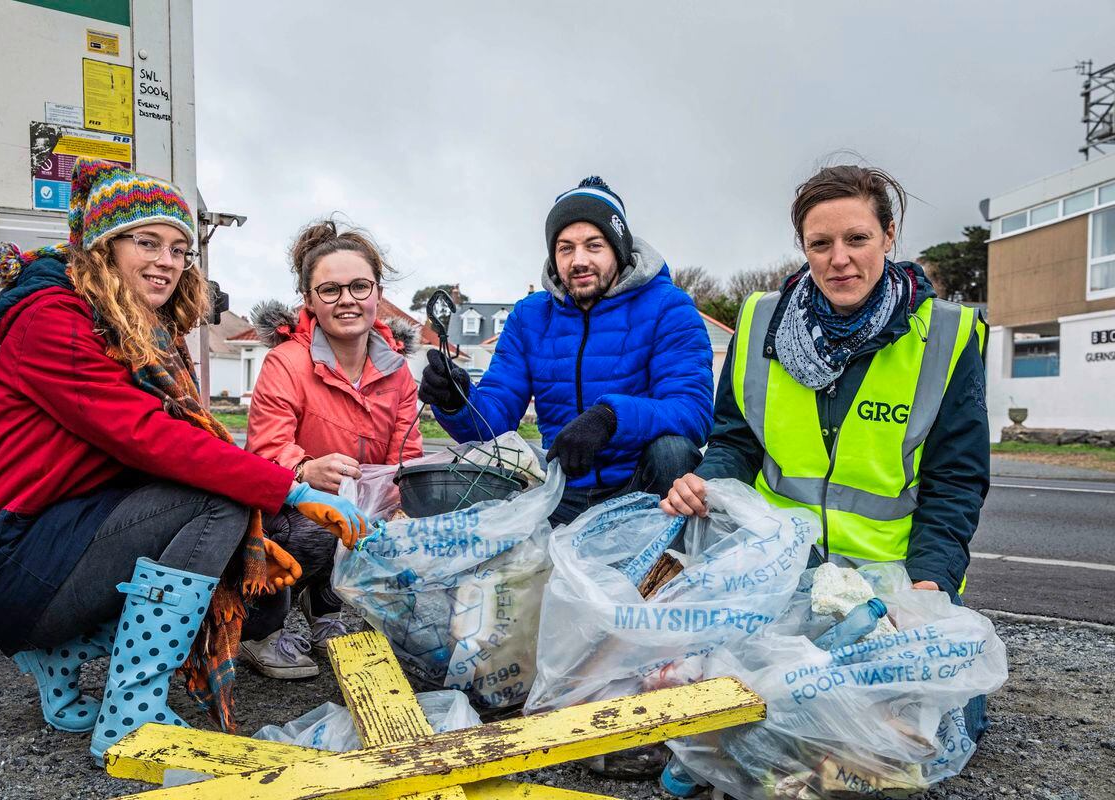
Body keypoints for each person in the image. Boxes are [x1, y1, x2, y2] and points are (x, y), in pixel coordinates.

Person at [0, 158, 369, 762]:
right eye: (147, 242)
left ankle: (60, 660)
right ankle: (131, 713)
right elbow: (153, 439)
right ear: (102, 248)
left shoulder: (131, 328)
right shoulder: (55, 325)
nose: (168, 261)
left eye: (180, 248)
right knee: (215, 504)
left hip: (48, 539)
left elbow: (171, 447)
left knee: (208, 524)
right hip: (6, 561)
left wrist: (266, 506)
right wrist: (290, 491)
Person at [662, 164, 990, 740]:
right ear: (804, 249)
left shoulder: (946, 335)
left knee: (927, 730)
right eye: (821, 243)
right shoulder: (761, 322)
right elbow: (736, 442)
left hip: (892, 581)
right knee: (743, 718)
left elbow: (955, 479)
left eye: (857, 239)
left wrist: (932, 578)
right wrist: (705, 482)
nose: (839, 258)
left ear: (889, 237)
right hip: (780, 573)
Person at [418, 176, 714, 525]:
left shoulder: (669, 307)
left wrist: (611, 418)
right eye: (565, 248)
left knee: (674, 452)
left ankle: (667, 560)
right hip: (559, 488)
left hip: (641, 487)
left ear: (618, 249)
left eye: (594, 245)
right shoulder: (529, 316)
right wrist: (457, 400)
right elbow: (495, 421)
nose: (579, 260)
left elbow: (691, 411)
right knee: (484, 472)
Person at [238, 219, 423, 678]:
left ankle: (325, 614)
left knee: (382, 522)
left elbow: (407, 454)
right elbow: (266, 449)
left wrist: (404, 504)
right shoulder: (287, 362)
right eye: (330, 290)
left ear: (377, 293)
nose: (347, 300)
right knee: (309, 528)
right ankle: (260, 629)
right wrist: (304, 470)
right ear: (309, 300)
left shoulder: (396, 370)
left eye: (360, 286)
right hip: (286, 508)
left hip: (358, 505)